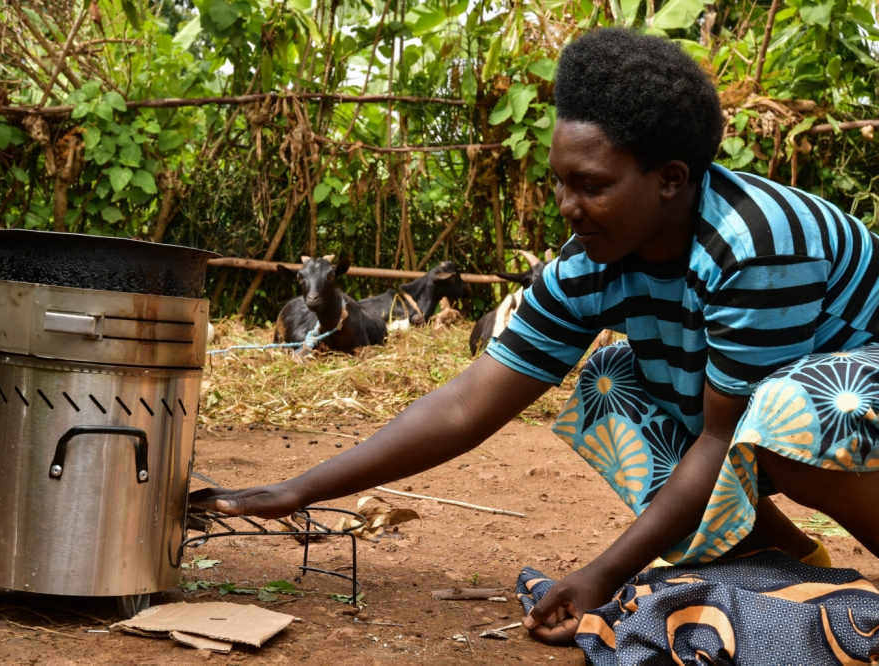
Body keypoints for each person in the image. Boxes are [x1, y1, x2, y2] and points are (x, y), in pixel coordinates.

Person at [192, 28, 879, 646]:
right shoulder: (591, 264)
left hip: (853, 389)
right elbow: (466, 405)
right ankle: (794, 568)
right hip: (777, 400)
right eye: (559, 183)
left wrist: (602, 575)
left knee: (790, 410)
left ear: (671, 180)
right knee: (614, 387)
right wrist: (299, 490)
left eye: (591, 185)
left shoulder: (755, 245)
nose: (567, 207)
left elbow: (722, 442)